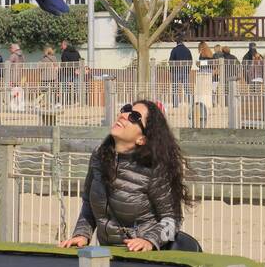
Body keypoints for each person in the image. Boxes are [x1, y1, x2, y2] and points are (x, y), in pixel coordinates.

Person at [59, 99, 192, 252]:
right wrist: (82, 234)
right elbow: (89, 202)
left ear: (142, 139)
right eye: (126, 109)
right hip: (106, 253)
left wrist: (149, 240)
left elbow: (172, 220)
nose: (124, 115)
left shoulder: (154, 168)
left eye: (134, 116)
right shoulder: (98, 156)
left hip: (143, 257)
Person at [169, 38, 192, 107]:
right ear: (182, 42)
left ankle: (175, 105)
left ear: (177, 43)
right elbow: (190, 61)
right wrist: (188, 70)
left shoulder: (174, 50)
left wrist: (171, 70)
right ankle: (190, 104)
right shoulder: (187, 50)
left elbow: (171, 61)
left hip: (176, 70)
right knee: (187, 88)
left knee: (175, 88)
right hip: (185, 71)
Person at [59, 40, 82, 105]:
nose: (61, 46)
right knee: (77, 87)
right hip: (76, 72)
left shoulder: (65, 52)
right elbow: (79, 60)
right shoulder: (76, 52)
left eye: (62, 45)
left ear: (65, 45)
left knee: (65, 87)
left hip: (67, 72)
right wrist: (77, 69)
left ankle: (64, 102)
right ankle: (79, 101)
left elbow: (64, 63)